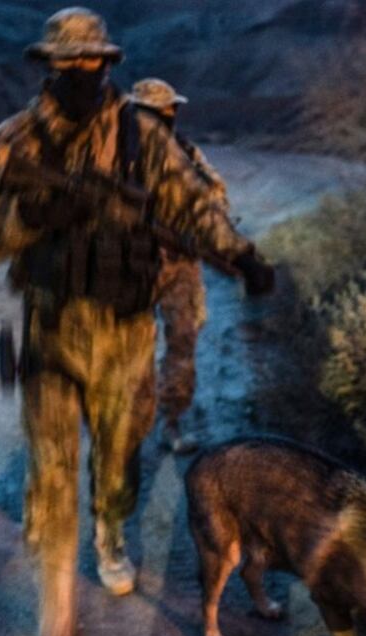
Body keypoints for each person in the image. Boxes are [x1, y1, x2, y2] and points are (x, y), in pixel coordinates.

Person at [0, 8, 274, 636]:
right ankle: (56, 613)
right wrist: (31, 212)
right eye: (68, 65)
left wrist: (239, 254)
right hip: (51, 330)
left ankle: (110, 532)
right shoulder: (18, 139)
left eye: (91, 63)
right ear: (48, 66)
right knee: (51, 467)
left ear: (107, 63)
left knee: (120, 460)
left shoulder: (139, 137)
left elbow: (192, 201)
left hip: (125, 336)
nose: (81, 74)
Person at [129, 78, 225, 455]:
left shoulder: (186, 152)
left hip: (179, 266)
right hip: (131, 266)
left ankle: (171, 420)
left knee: (181, 343)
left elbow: (216, 197)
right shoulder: (111, 157)